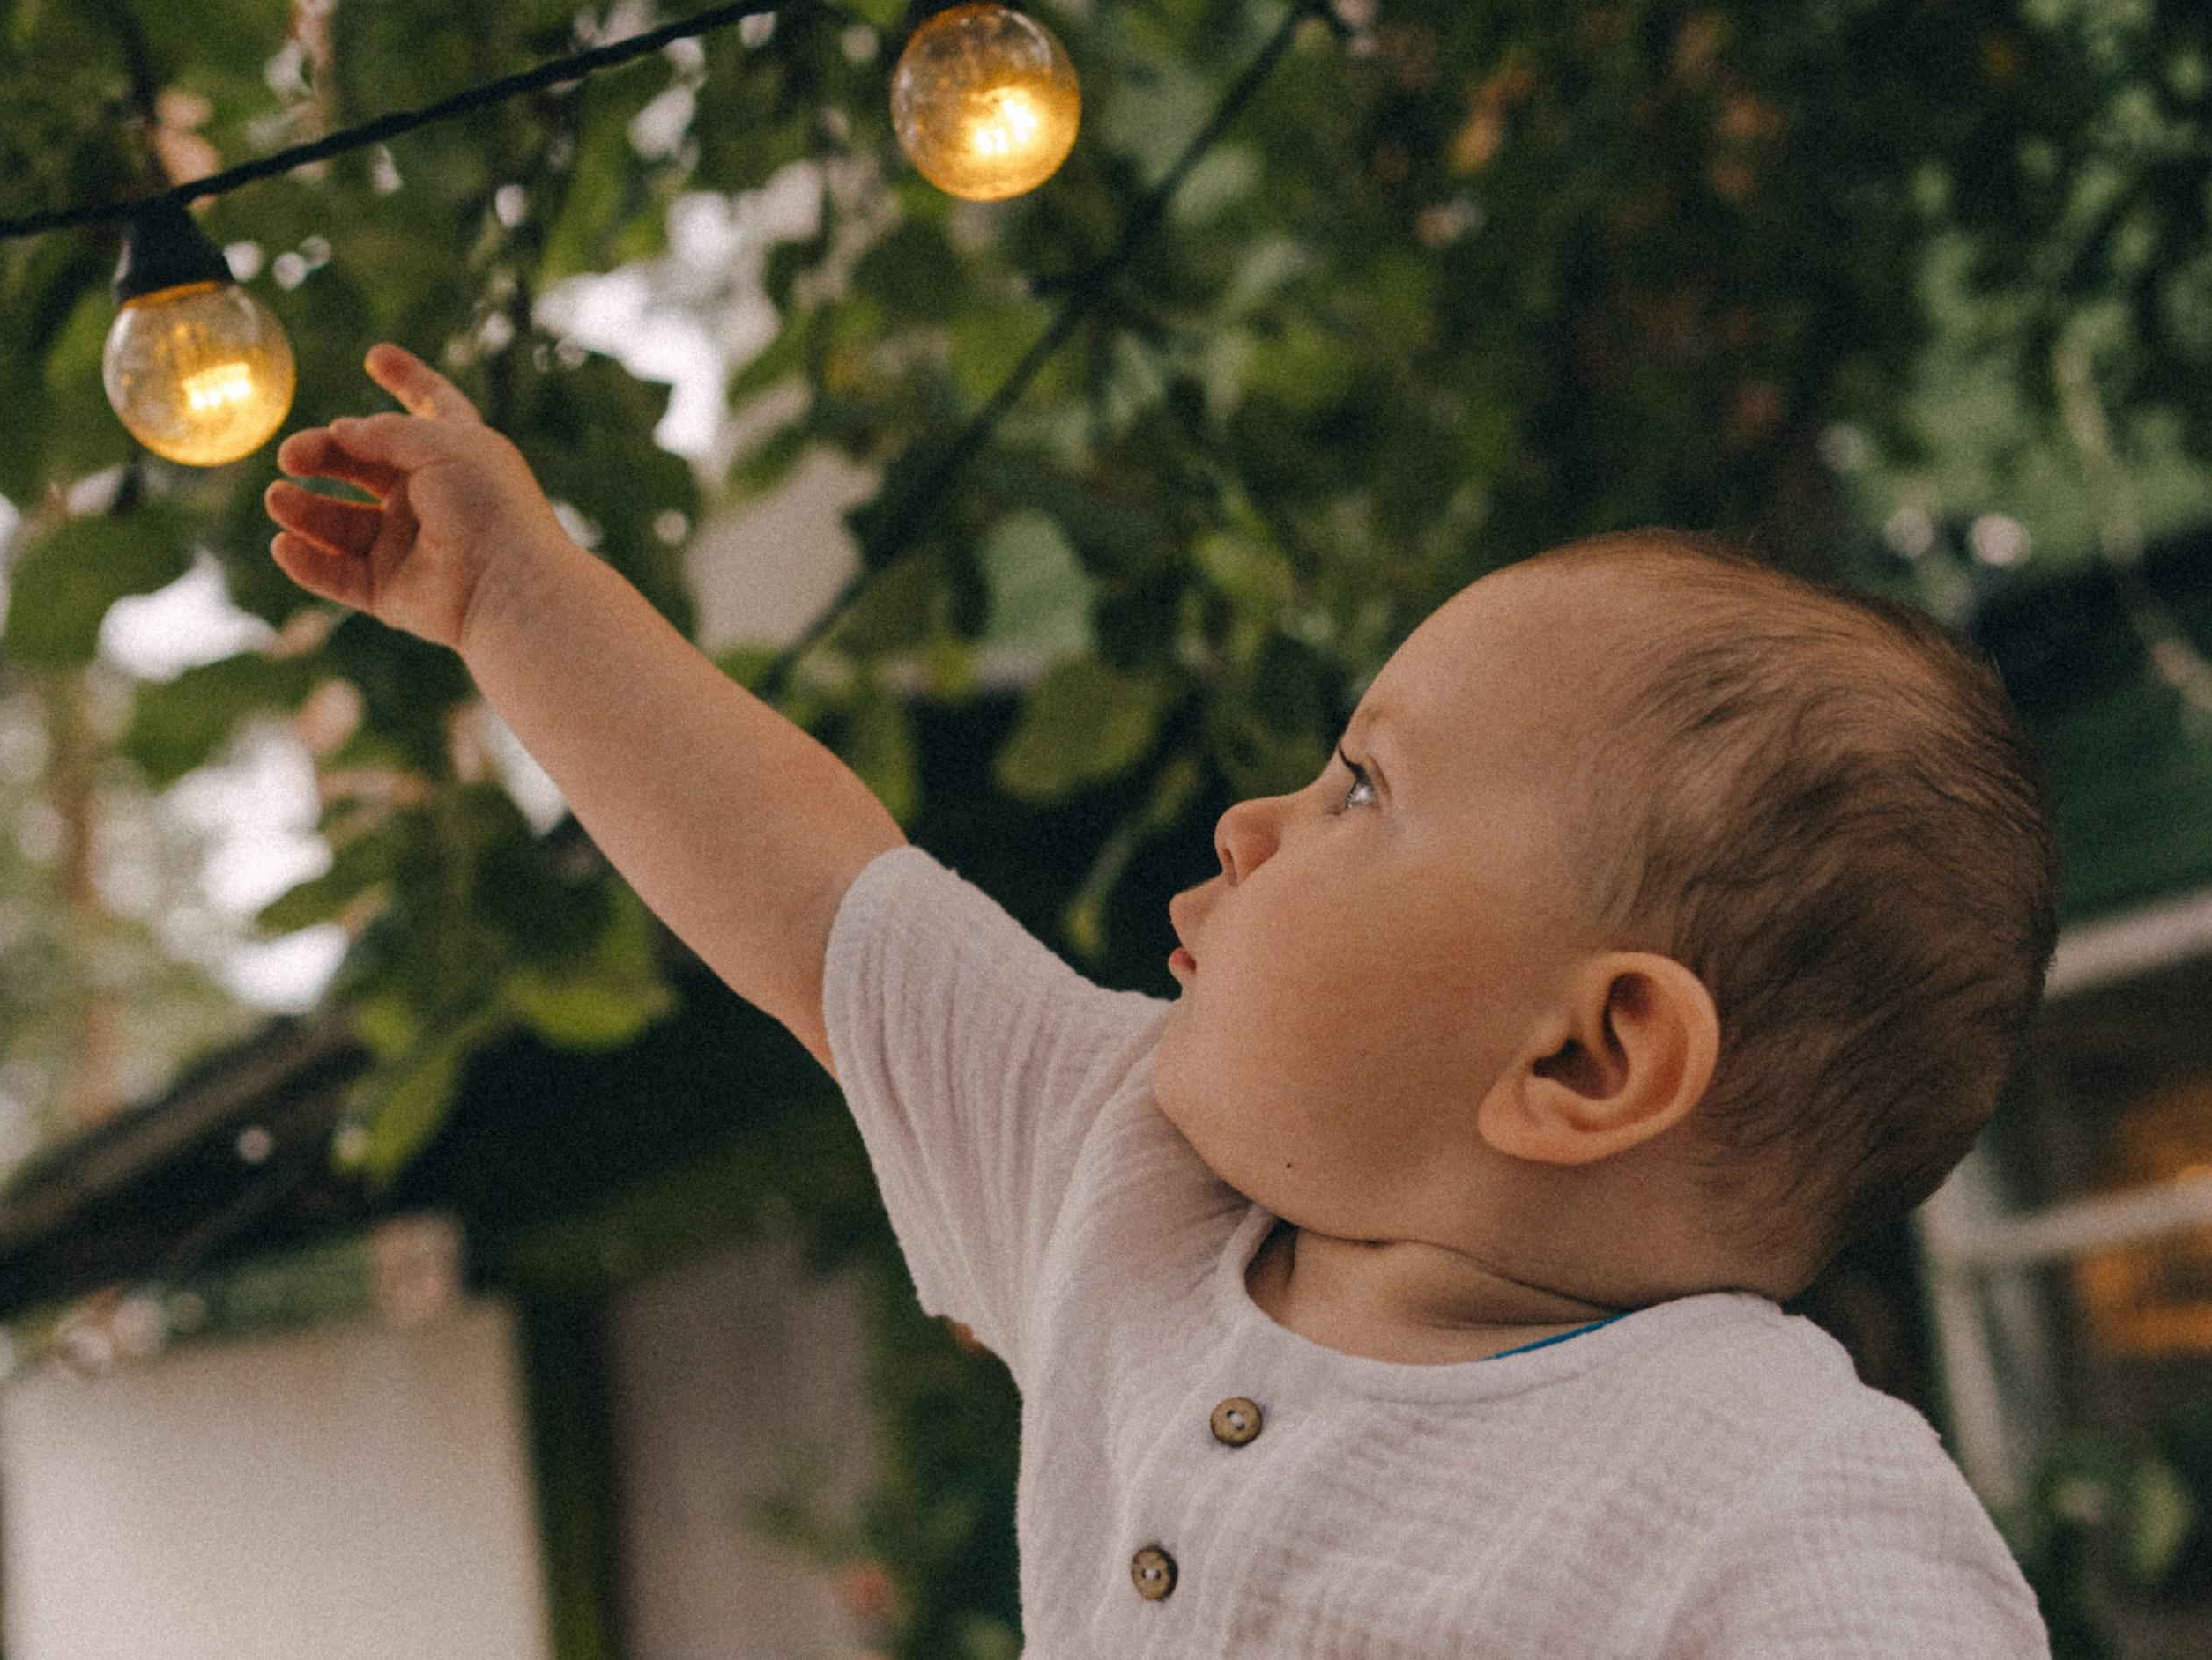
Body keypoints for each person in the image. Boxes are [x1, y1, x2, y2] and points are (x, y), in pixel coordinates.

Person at [266, 341, 2060, 1656]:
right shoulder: (1122, 1181)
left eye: (1360, 788)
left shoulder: (1763, 1491)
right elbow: (812, 896)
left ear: (1583, 1059)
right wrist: (511, 593)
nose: (1250, 820)